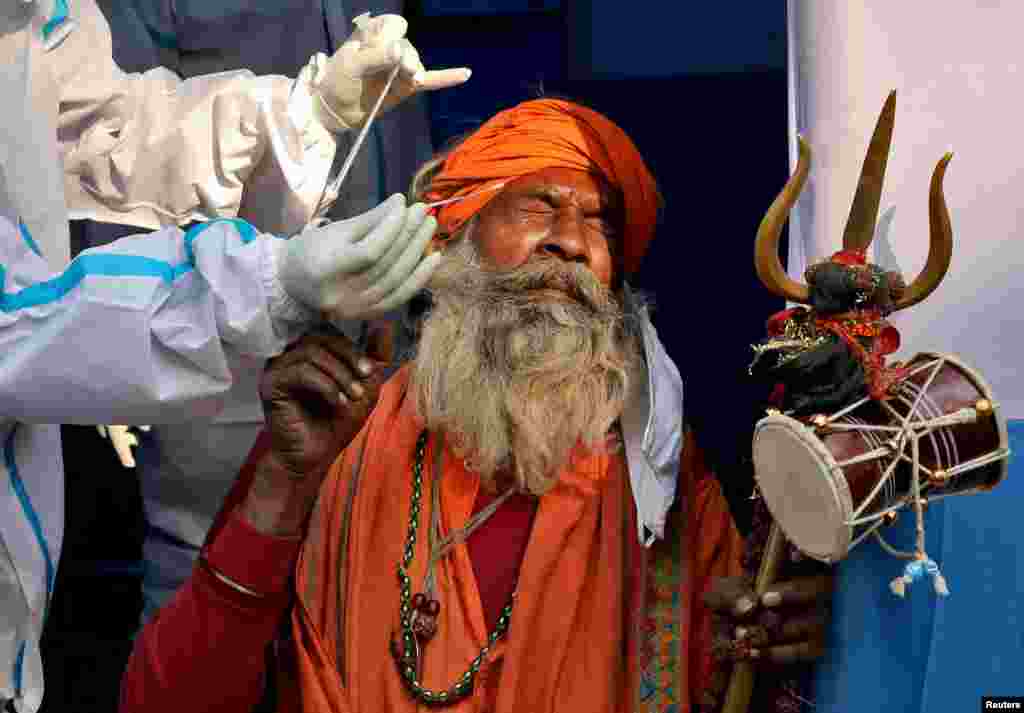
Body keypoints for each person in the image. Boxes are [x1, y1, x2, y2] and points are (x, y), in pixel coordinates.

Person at [121, 99, 833, 712]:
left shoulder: (663, 496)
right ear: (456, 233)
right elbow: (167, 698)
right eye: (539, 206)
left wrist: (773, 658)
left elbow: (731, 682)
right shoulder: (340, 437)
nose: (573, 243)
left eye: (601, 224)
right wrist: (282, 482)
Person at [0, 1, 468, 709]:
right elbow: (19, 321)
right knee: (205, 594)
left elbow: (107, 126)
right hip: (195, 383)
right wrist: (266, 284)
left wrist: (306, 110)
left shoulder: (33, 16)